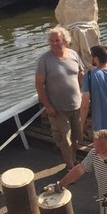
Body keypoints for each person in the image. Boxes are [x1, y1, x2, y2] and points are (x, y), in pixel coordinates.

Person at [36, 26, 85, 171]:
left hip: (76, 105)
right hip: (57, 109)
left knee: (76, 137)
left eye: (57, 40)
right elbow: (39, 85)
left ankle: (74, 160)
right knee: (64, 139)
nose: (54, 43)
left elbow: (81, 74)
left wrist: (84, 93)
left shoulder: (73, 54)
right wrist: (48, 106)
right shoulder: (44, 60)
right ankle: (70, 167)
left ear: (65, 40)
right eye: (51, 41)